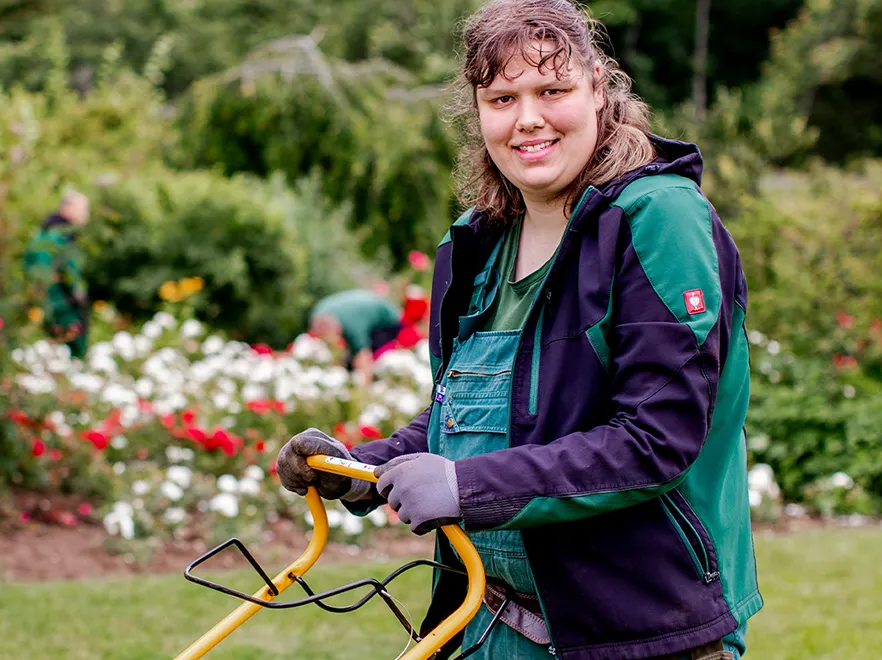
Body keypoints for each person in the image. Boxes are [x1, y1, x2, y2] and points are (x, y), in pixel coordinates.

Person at [273, 1, 759, 658]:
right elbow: (475, 412)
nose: (527, 118)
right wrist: (364, 468)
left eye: (551, 90)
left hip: (640, 633)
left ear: (598, 86)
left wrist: (465, 489)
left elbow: (655, 440)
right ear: (478, 112)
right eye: (502, 98)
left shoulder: (657, 222)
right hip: (490, 625)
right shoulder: (480, 243)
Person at [307, 287, 425, 388]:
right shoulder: (317, 315)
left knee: (369, 356)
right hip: (363, 304)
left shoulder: (353, 326)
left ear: (337, 329)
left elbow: (363, 356)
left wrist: (364, 389)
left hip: (387, 320)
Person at [23, 191, 91, 358]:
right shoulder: (52, 239)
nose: (86, 215)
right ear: (67, 208)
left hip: (66, 312)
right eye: (83, 209)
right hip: (60, 315)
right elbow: (44, 280)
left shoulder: (66, 238)